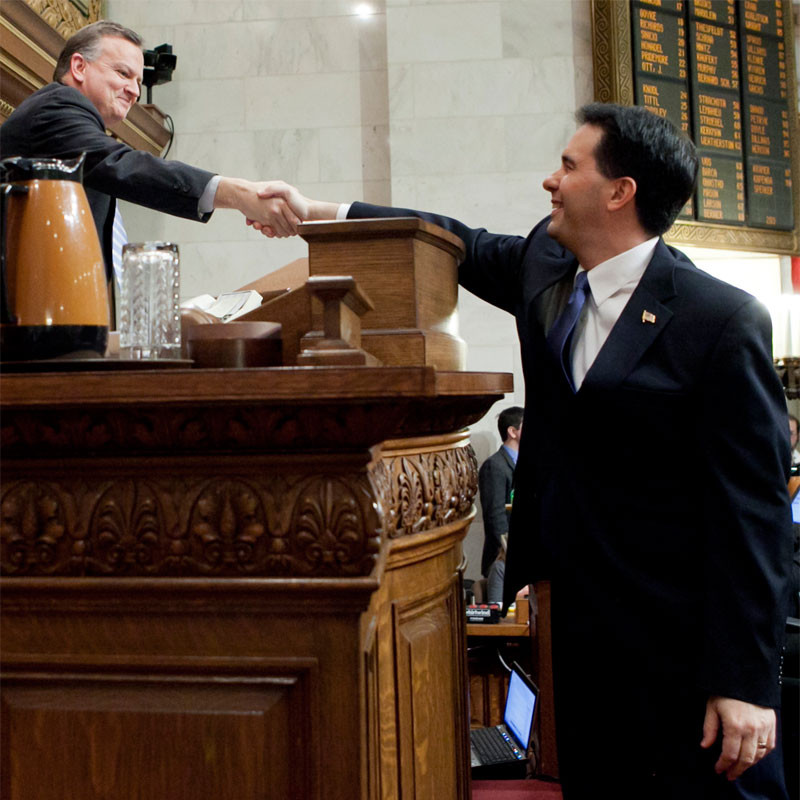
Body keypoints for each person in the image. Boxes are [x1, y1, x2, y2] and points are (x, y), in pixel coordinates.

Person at [282, 103, 793, 799]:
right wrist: (322, 209)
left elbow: (754, 516)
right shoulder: (545, 267)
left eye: (569, 165)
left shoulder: (721, 319)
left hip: (686, 646)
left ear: (621, 192)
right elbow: (451, 239)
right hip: (579, 629)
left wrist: (744, 682)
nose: (549, 181)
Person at [0, 20, 301, 283]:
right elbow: (120, 164)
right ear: (79, 67)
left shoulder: (80, 131)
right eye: (122, 73)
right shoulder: (58, 106)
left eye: (138, 82)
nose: (134, 90)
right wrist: (239, 194)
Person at [479, 406, 523, 577]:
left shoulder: (526, 462)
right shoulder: (494, 466)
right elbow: (495, 517)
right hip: (503, 560)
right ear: (512, 431)